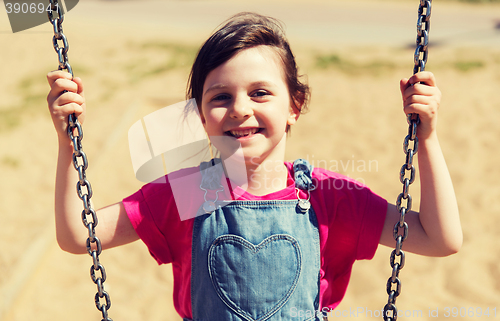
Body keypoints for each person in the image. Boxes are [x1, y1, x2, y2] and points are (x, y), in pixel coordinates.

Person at [46, 12, 462, 321]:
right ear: (202, 117)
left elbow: (438, 238)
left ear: (294, 107)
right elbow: (80, 236)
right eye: (220, 97)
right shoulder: (194, 192)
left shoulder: (328, 198)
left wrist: (425, 138)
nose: (240, 109)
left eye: (260, 93)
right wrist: (67, 142)